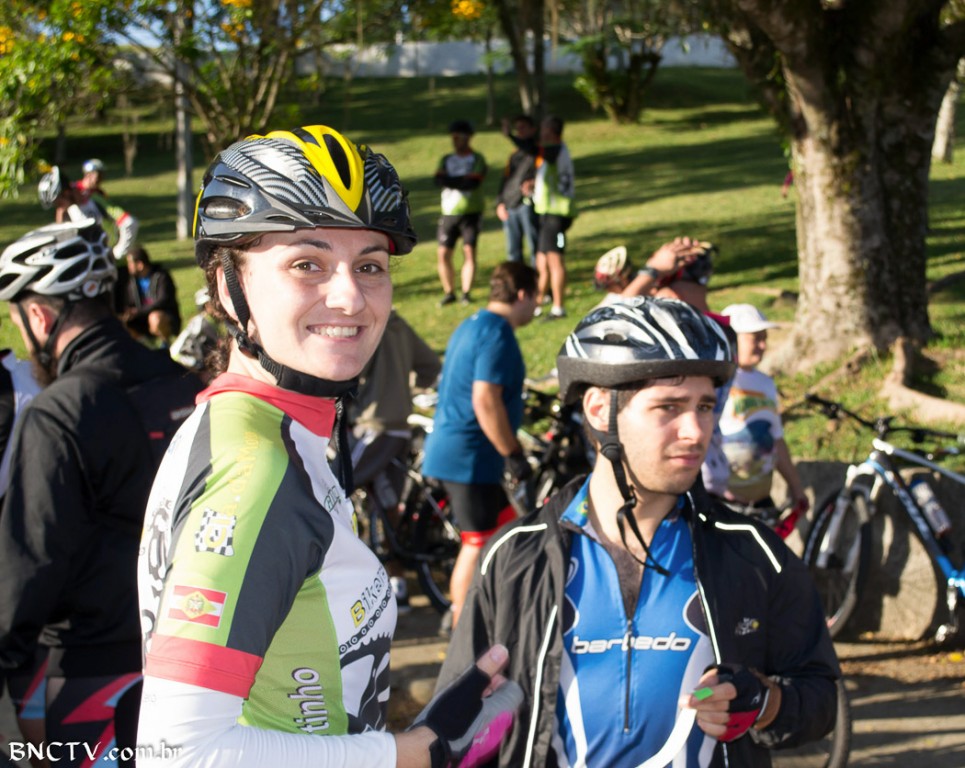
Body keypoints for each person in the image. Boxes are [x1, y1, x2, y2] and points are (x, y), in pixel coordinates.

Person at [136, 124, 520, 768]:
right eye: (306, 264)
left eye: (369, 265)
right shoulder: (255, 468)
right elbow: (176, 753)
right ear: (229, 286)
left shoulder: (259, 430)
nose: (349, 296)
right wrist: (415, 752)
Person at [437, 296, 840, 767]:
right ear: (598, 408)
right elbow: (452, 724)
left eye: (705, 406)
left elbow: (819, 697)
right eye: (669, 407)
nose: (696, 431)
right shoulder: (516, 556)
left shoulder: (752, 553)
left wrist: (765, 701)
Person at [0, 218, 204, 768]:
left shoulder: (60, 412)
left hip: (94, 672)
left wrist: (9, 662)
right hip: (201, 663)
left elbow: (30, 562)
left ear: (39, 317)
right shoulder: (188, 384)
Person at [422, 261, 538, 631]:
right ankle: (461, 630)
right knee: (477, 542)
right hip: (468, 458)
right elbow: (485, 399)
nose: (537, 306)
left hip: (458, 452)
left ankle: (503, 617)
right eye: (537, 297)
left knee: (510, 532)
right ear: (523, 294)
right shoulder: (497, 333)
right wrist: (513, 453)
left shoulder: (472, 323)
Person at [348, 309, 442, 611]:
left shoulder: (362, 325)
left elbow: (346, 371)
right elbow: (430, 366)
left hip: (372, 426)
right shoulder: (399, 324)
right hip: (399, 427)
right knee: (388, 508)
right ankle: (397, 586)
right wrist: (404, 391)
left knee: (332, 488)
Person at [718, 304, 809, 517]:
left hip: (761, 503)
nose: (763, 345)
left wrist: (796, 487)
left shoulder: (766, 383)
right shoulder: (717, 381)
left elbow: (776, 439)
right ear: (731, 339)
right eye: (755, 338)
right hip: (723, 504)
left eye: (765, 338)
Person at [505, 115, 575, 319]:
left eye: (543, 129)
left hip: (557, 214)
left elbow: (532, 148)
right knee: (542, 262)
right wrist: (533, 186)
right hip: (546, 213)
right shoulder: (551, 153)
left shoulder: (556, 149)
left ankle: (559, 307)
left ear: (551, 131)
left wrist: (510, 136)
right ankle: (537, 303)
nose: (540, 133)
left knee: (555, 261)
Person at [434, 119, 488, 306]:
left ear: (468, 137)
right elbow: (438, 179)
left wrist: (451, 180)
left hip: (471, 212)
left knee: (469, 252)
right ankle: (449, 292)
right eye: (454, 137)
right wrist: (461, 180)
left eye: (459, 137)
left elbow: (473, 183)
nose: (456, 141)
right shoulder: (446, 159)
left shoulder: (477, 158)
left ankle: (466, 292)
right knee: (443, 253)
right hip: (448, 212)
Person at [38, 166, 139, 260]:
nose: (59, 208)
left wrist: (117, 253)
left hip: (111, 262)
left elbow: (129, 222)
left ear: (66, 193)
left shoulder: (94, 200)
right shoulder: (69, 209)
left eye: (58, 203)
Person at [494, 115, 538, 265]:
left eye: (523, 128)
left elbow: (528, 147)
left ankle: (537, 277)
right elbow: (505, 180)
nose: (519, 131)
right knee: (513, 251)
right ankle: (516, 279)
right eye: (517, 128)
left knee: (535, 247)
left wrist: (510, 135)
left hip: (527, 204)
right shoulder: (514, 155)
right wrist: (500, 203)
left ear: (533, 129)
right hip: (510, 205)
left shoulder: (536, 150)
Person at [120, 244, 182, 345]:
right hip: (141, 320)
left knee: (155, 318)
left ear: (140, 265)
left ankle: (165, 346)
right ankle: (145, 348)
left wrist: (139, 311)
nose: (128, 267)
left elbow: (163, 300)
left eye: (130, 263)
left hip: (164, 317)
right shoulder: (132, 282)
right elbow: (130, 303)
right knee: (121, 324)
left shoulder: (161, 277)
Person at [169, 287, 225, 383]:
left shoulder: (204, 320)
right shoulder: (205, 322)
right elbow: (221, 344)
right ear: (207, 306)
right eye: (215, 302)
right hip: (180, 357)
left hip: (187, 356)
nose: (220, 305)